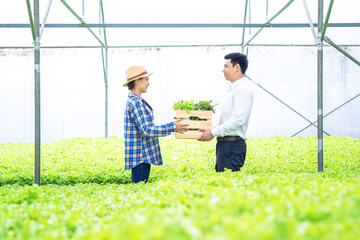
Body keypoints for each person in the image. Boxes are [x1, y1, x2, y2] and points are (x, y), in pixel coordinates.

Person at [123, 65, 188, 183]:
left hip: (140, 156)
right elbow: (147, 130)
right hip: (140, 157)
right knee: (139, 191)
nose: (148, 83)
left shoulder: (135, 101)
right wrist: (172, 126)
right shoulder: (136, 102)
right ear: (137, 81)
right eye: (146, 79)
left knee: (138, 189)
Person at [198, 52, 254, 172]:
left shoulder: (242, 89)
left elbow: (238, 119)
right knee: (223, 184)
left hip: (232, 146)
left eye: (226, 66)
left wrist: (213, 132)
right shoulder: (233, 89)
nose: (223, 70)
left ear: (237, 67)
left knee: (229, 186)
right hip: (225, 145)